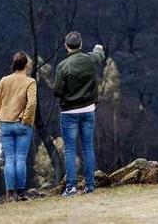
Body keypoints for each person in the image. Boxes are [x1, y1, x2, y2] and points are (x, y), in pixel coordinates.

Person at [53, 31, 105, 197]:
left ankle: (72, 187)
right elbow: (99, 55)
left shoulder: (63, 66)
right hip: (88, 109)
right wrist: (98, 47)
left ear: (66, 46)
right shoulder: (89, 60)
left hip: (69, 112)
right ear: (80, 45)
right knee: (88, 148)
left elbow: (57, 91)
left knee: (70, 149)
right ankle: (90, 186)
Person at [0, 51, 37, 202]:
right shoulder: (30, 82)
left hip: (5, 123)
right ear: (26, 65)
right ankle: (21, 193)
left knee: (9, 160)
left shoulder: (4, 81)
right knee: (20, 159)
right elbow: (32, 103)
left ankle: (10, 195)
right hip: (22, 125)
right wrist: (25, 119)